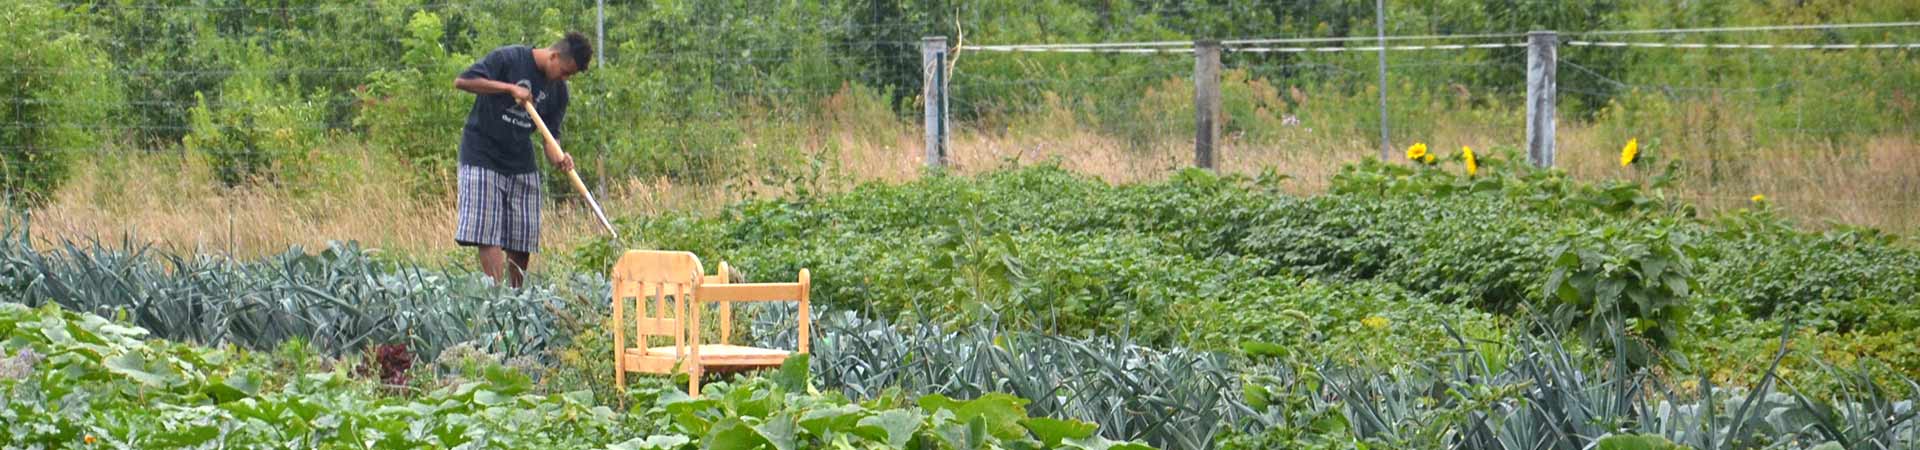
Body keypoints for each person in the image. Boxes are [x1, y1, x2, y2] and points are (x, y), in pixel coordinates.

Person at [451, 32, 591, 288]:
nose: (565, 78)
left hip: (519, 160)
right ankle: (496, 298)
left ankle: (517, 301)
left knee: (522, 238)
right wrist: (509, 88)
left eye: (569, 75)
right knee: (487, 233)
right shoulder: (509, 58)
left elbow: (551, 138)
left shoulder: (559, 92)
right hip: (483, 153)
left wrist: (560, 158)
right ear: (554, 55)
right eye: (564, 71)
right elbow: (462, 81)